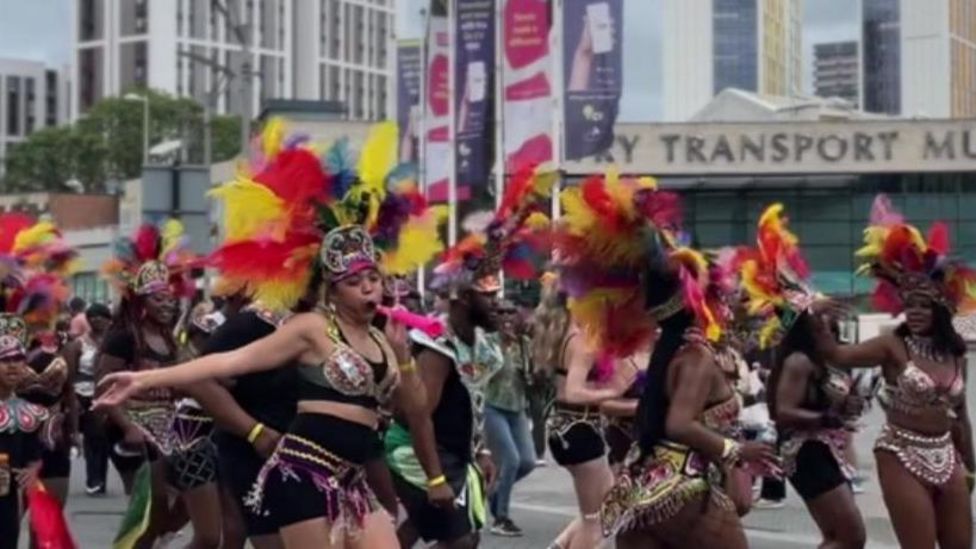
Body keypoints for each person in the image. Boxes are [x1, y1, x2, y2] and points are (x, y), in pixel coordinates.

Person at [98, 120, 449, 549]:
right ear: (330, 288)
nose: (369, 287)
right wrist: (142, 380)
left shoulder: (382, 340)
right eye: (355, 280)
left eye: (373, 277)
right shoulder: (311, 329)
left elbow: (414, 408)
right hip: (301, 473)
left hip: (351, 481)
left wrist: (406, 357)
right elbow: (227, 363)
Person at [388, 165, 553, 549]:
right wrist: (434, 478)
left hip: (452, 451)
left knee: (426, 532)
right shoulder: (437, 345)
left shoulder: (481, 342)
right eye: (489, 295)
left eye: (498, 295)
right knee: (461, 540)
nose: (498, 304)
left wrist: (478, 450)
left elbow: (474, 402)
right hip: (416, 453)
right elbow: (417, 416)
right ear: (463, 297)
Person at [814, 195, 975, 549]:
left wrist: (972, 465)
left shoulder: (954, 351)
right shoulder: (891, 345)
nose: (914, 313)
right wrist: (813, 311)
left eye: (924, 306)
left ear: (942, 310)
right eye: (910, 305)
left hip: (947, 453)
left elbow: (961, 415)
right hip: (900, 453)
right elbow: (834, 353)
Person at [738, 205, 865, 548]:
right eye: (819, 317)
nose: (828, 322)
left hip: (822, 450)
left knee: (843, 536)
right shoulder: (797, 360)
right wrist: (828, 416)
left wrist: (848, 405)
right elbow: (782, 412)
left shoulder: (824, 358)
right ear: (805, 325)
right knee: (849, 536)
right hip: (806, 453)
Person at [96, 220, 198, 548]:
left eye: (170, 298)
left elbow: (184, 381)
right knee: (147, 509)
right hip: (129, 429)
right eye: (158, 299)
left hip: (168, 428)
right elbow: (103, 389)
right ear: (141, 301)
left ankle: (155, 539)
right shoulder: (123, 336)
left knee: (187, 497)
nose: (167, 304)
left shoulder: (171, 339)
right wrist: (127, 425)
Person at [483, 299, 536, 536]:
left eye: (511, 311)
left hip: (517, 407)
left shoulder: (525, 344)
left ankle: (494, 492)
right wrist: (502, 346)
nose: (506, 316)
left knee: (527, 462)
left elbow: (533, 377)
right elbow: (480, 374)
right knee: (511, 460)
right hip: (492, 406)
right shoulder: (486, 342)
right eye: (500, 311)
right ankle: (501, 517)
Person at [0, 314, 48, 549]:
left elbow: (34, 456)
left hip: (6, 501)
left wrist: (32, 470)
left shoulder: (27, 412)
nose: (13, 365)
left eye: (18, 358)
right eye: (4, 359)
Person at [65, 303, 113, 495]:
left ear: (109, 319)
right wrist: (72, 399)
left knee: (101, 439)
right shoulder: (78, 343)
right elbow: (70, 373)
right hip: (81, 395)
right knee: (92, 438)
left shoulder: (114, 342)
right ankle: (93, 480)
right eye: (93, 316)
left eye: (101, 316)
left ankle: (100, 479)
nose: (97, 320)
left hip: (105, 394)